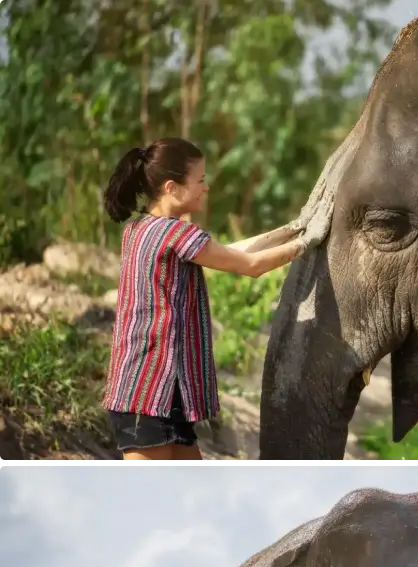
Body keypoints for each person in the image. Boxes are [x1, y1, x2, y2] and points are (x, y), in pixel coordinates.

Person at [101, 136, 313, 462]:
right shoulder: (176, 234)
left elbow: (232, 253)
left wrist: (293, 229)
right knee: (147, 502)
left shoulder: (140, 228)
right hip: (149, 391)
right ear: (172, 188)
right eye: (199, 180)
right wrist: (309, 241)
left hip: (154, 388)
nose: (206, 187)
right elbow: (251, 266)